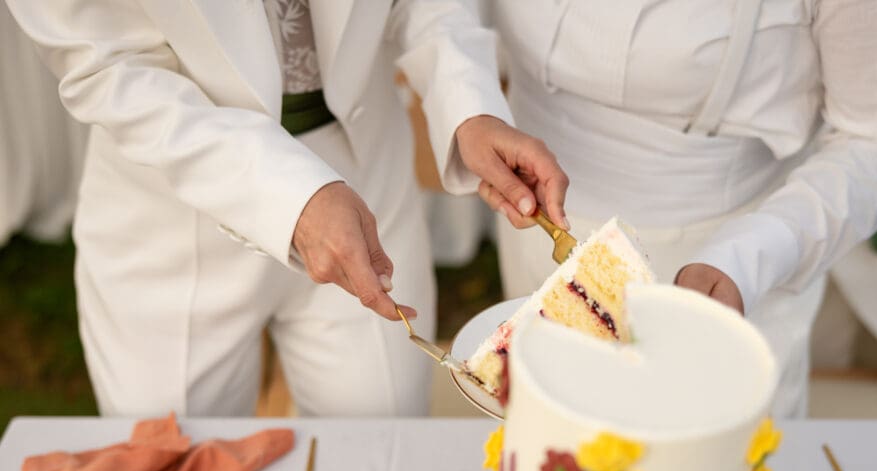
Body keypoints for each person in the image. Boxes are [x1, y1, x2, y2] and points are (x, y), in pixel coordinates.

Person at [4, 0, 569, 417]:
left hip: (365, 171)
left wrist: (468, 106)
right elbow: (106, 66)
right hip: (173, 200)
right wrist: (289, 198)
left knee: (379, 435)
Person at [481, 0, 877, 416]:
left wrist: (747, 257)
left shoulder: (739, 264)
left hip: (725, 272)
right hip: (534, 231)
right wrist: (470, 111)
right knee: (549, 468)